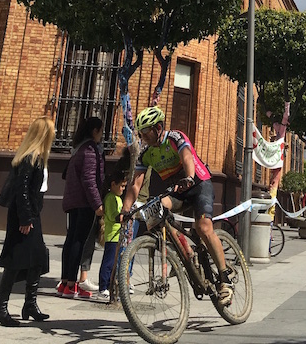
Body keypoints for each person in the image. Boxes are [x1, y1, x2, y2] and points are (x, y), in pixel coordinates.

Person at [121, 106, 234, 305]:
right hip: (177, 191)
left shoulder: (175, 137)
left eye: (146, 132)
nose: (143, 137)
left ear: (158, 128)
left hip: (198, 184)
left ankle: (225, 280)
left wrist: (189, 177)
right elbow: (136, 183)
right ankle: (187, 254)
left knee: (204, 228)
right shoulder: (146, 152)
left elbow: (187, 158)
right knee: (156, 210)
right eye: (141, 133)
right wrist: (125, 210)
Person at [0, 117, 55, 327]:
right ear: (44, 134)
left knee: (37, 258)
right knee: (14, 260)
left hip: (32, 214)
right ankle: (0, 309)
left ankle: (30, 304)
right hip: (24, 216)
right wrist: (26, 218)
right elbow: (22, 191)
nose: (54, 135)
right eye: (51, 131)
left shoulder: (39, 157)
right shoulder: (30, 158)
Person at [59, 116, 105, 298]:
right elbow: (89, 180)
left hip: (72, 201)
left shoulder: (78, 148)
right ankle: (71, 285)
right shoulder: (90, 150)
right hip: (84, 202)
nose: (102, 135)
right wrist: (97, 204)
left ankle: (65, 283)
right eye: (101, 131)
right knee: (79, 240)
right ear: (95, 131)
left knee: (71, 240)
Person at [97, 169, 127, 301]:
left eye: (124, 186)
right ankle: (103, 287)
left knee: (115, 262)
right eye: (121, 186)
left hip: (118, 235)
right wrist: (122, 217)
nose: (123, 189)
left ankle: (110, 286)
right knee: (108, 262)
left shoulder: (118, 198)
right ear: (113, 184)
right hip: (112, 235)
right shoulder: (110, 198)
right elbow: (112, 216)